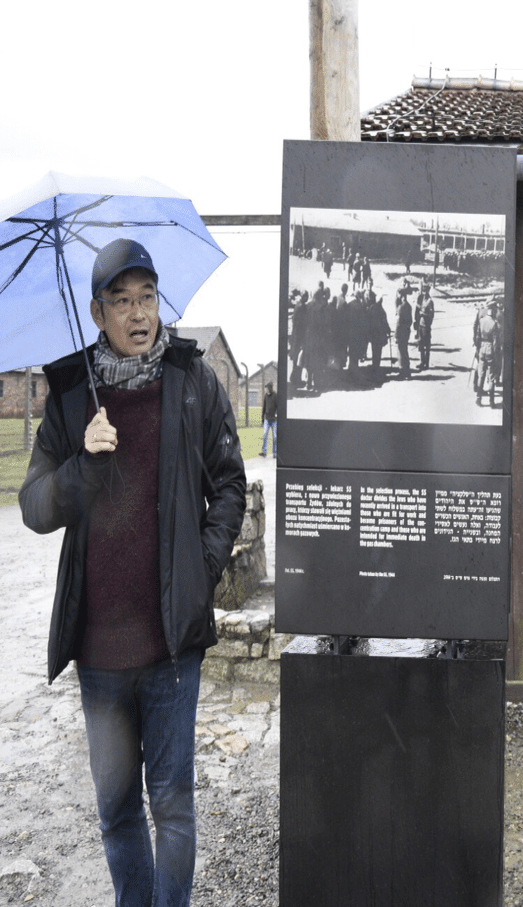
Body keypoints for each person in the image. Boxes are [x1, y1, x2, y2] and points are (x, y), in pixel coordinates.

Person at [18, 238, 247, 907]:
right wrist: (81, 463)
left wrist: (200, 568)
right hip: (100, 654)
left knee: (172, 806)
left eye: (147, 296)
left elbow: (229, 484)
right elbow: (34, 507)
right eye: (121, 300)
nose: (139, 312)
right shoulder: (67, 396)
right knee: (116, 810)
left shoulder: (191, 380)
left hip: (172, 645)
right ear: (96, 312)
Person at [261, 381, 277, 456]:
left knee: (275, 436)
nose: (266, 390)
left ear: (270, 388)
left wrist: (276, 414)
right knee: (265, 435)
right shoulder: (265, 396)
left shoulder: (275, 395)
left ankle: (275, 452)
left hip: (274, 420)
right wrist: (262, 418)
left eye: (267, 388)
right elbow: (264, 407)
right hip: (267, 419)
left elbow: (278, 406)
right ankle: (264, 451)